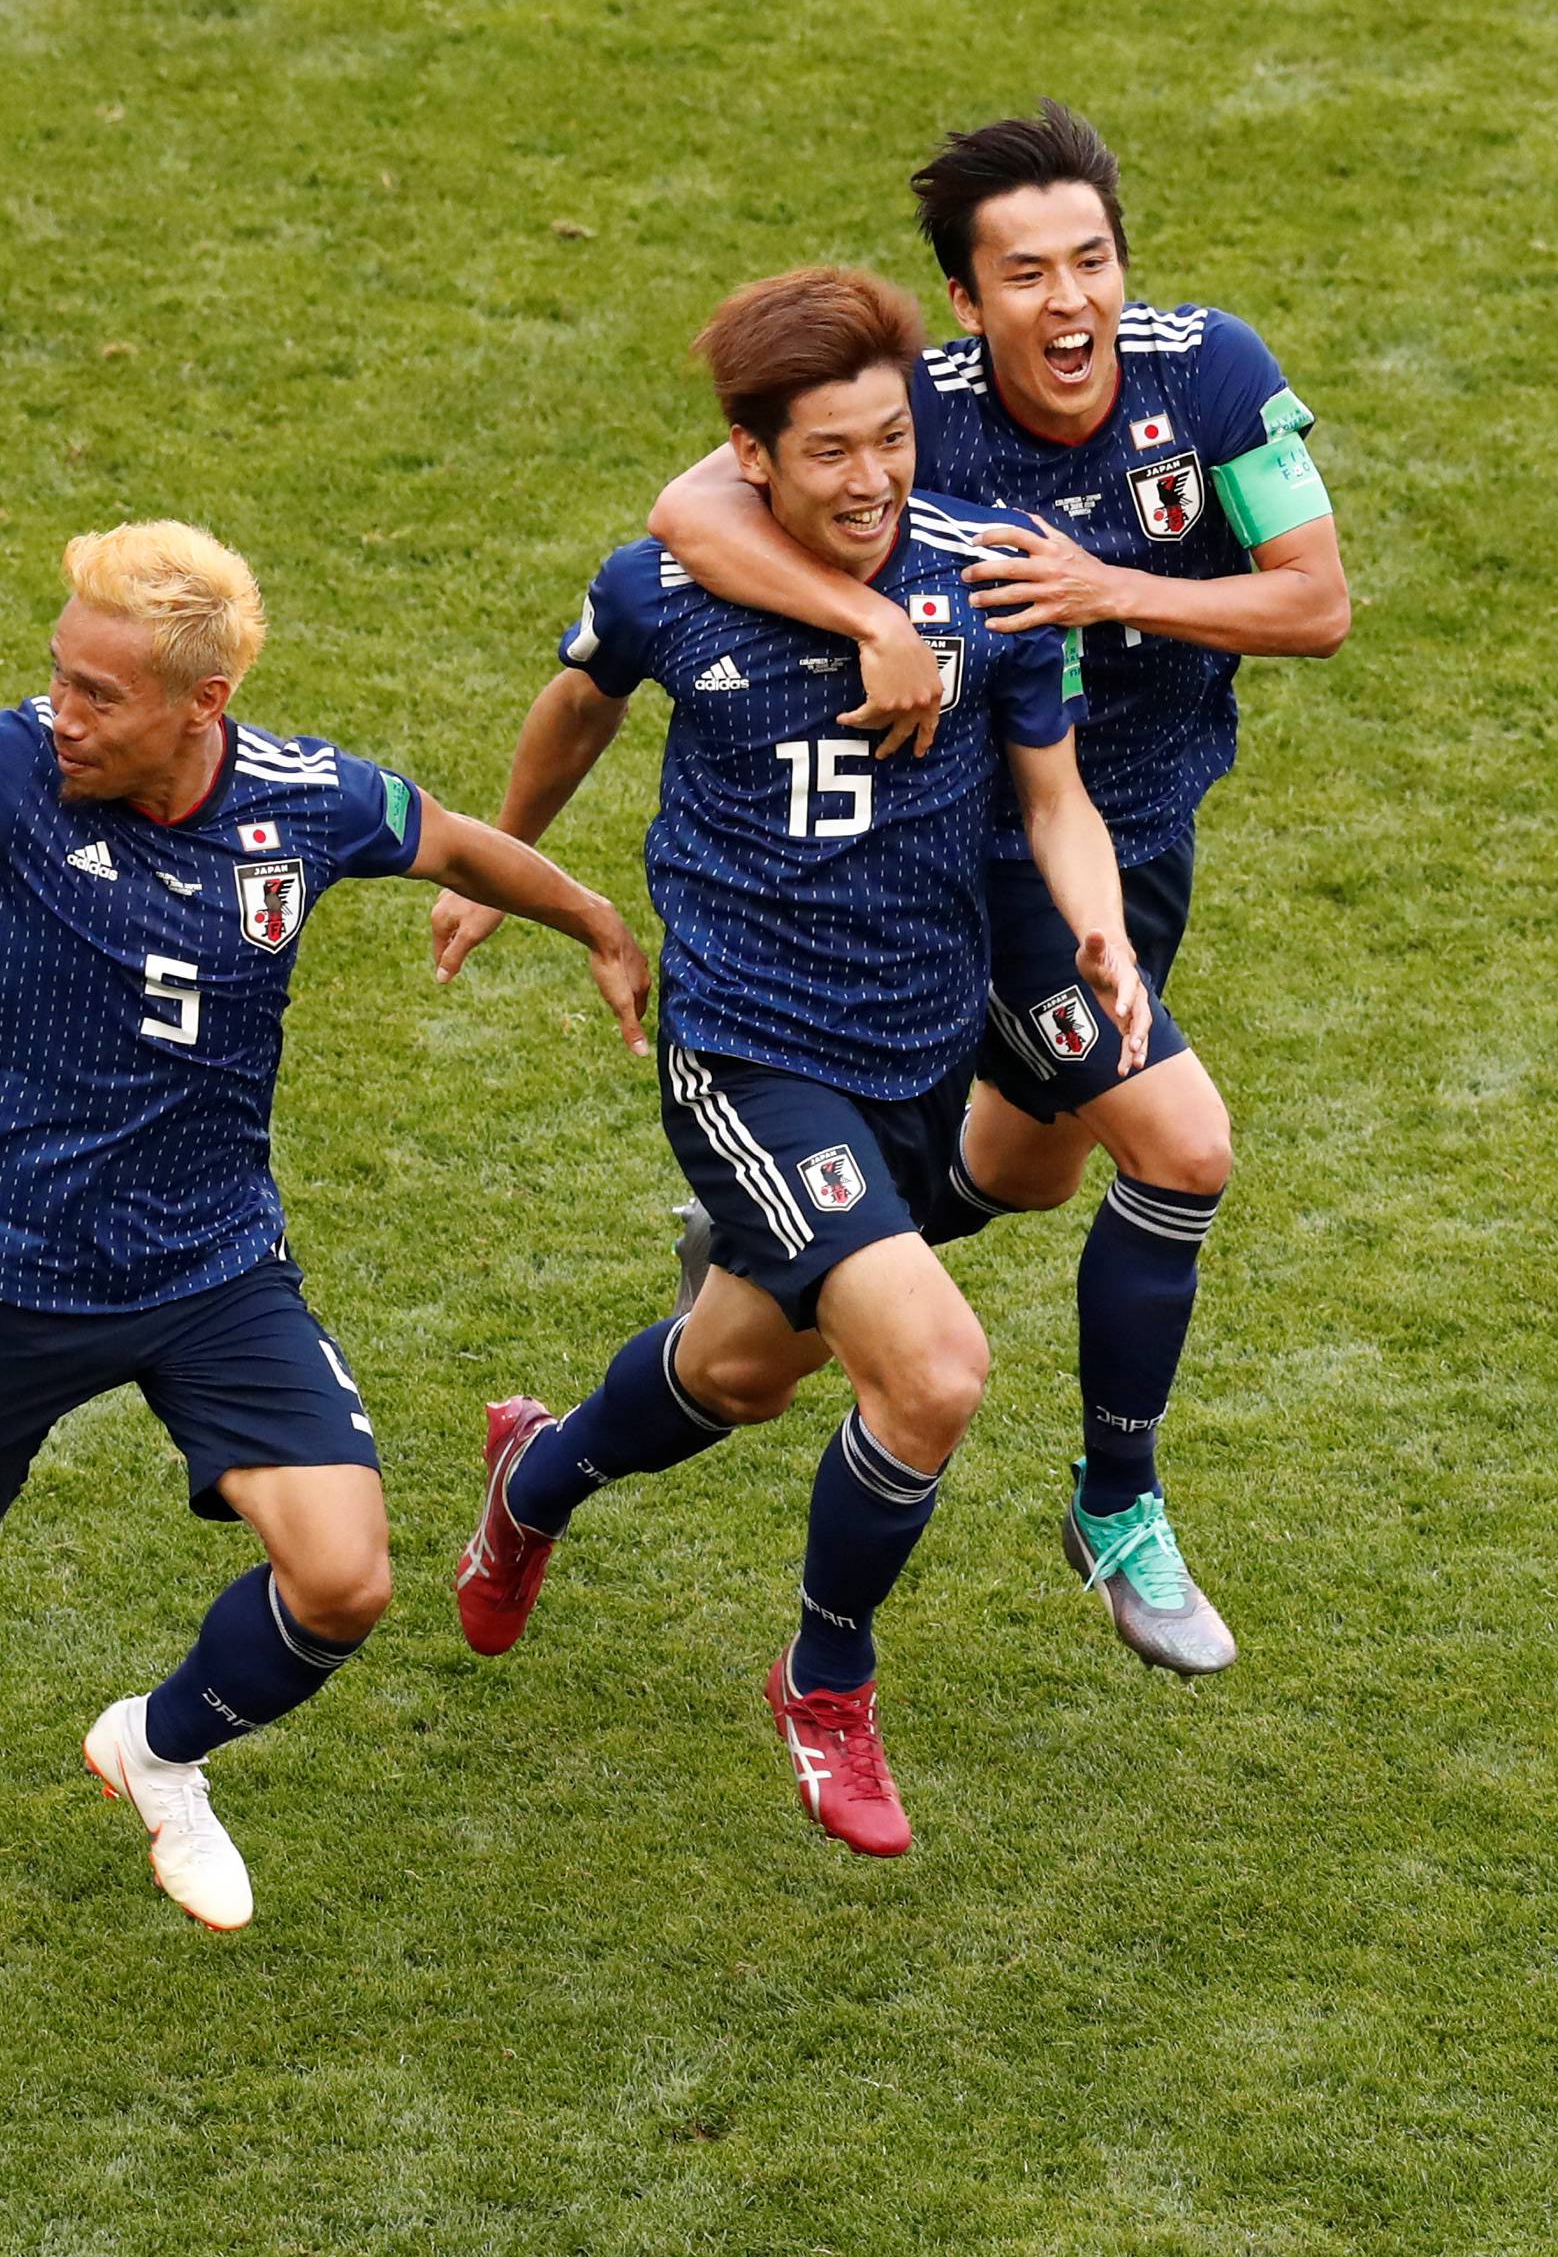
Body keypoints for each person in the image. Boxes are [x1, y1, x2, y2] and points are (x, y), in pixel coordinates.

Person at [433, 267, 1145, 1856]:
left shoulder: (983, 582)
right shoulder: (669, 585)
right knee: (936, 1368)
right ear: (749, 458)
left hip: (912, 1045)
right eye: (830, 451)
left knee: (744, 1368)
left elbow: (1053, 796)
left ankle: (532, 1479)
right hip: (749, 1048)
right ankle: (826, 1680)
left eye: (893, 439)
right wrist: (503, 862)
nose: (873, 479)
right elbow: (576, 706)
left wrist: (1095, 926)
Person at [649, 101, 1351, 1678]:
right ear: (967, 303)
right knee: (1180, 1145)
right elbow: (688, 511)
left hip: (1132, 839)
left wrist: (1114, 589)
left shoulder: (1209, 372)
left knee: (1028, 1171)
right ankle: (1119, 1505)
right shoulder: (925, 409)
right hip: (968, 856)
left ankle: (764, 1250)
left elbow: (1317, 602)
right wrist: (866, 616)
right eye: (1026, 273)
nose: (1071, 301)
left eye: (1091, 260)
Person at [0, 520, 651, 1930]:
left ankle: (162, 1753)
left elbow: (457, 842)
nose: (64, 712)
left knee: (346, 1578)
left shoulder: (304, 803)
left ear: (202, 705)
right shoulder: (14, 773)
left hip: (210, 1265)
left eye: (98, 694)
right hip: (15, 1263)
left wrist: (595, 918)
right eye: (60, 676)